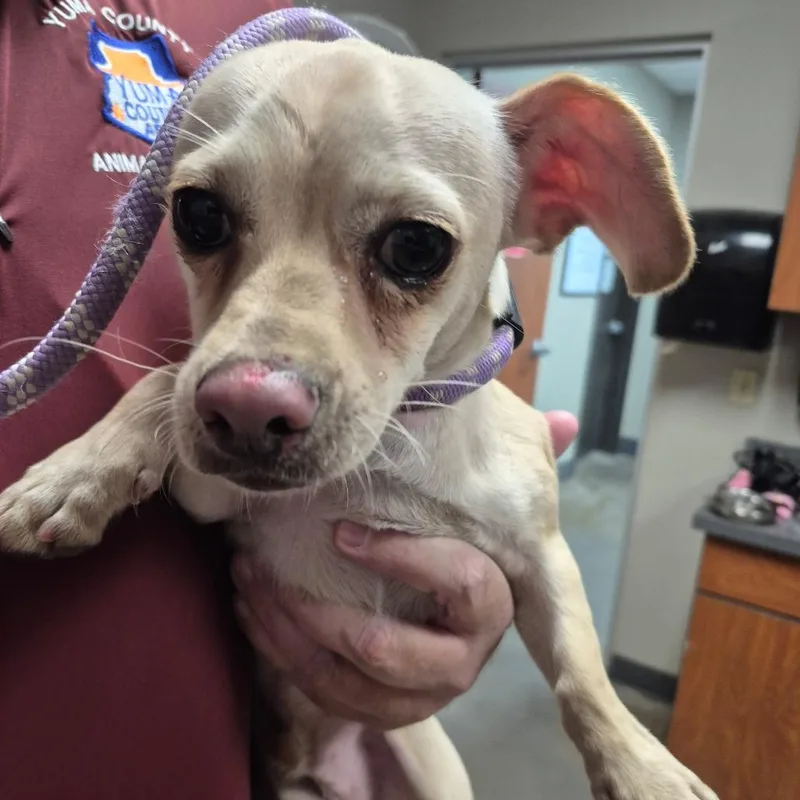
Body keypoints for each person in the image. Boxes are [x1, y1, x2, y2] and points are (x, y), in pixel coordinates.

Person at [0, 3, 578, 798]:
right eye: (204, 218)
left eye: (412, 249)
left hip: (236, 743)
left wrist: (452, 611)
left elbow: (467, 284)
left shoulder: (283, 27)